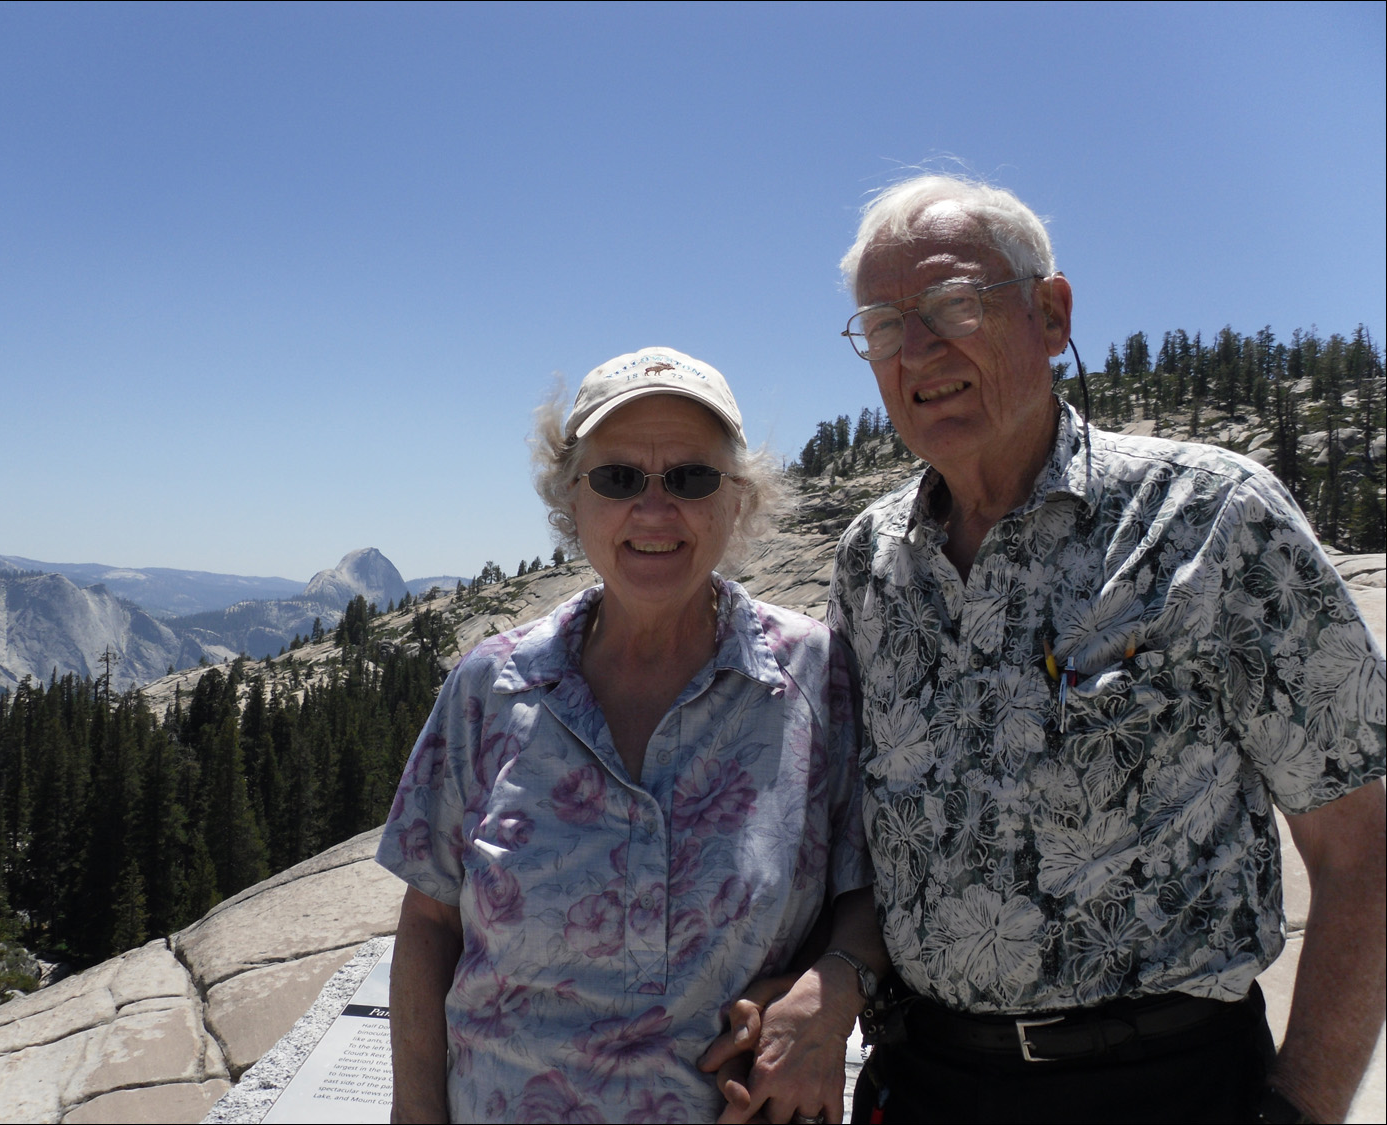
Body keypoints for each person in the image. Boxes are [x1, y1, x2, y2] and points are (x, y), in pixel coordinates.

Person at [806, 174, 1383, 1123]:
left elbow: (1364, 844)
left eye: (954, 303)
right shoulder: (871, 561)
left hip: (1166, 1084)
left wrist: (1303, 1109)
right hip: (924, 1080)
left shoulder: (1208, 517)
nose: (917, 349)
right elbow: (859, 843)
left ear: (1050, 312)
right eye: (882, 323)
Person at [376, 346, 877, 1123]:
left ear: (737, 500)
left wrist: (832, 986)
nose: (653, 508)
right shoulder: (491, 684)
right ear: (569, 501)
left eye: (690, 477)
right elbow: (431, 918)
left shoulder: (812, 675)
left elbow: (871, 884)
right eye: (616, 478)